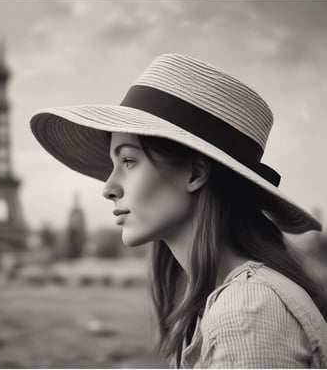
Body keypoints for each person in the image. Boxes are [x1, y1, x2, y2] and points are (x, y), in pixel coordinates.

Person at [30, 53, 327, 368]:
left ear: (194, 174)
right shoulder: (231, 299)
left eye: (128, 161)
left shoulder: (248, 312)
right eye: (114, 164)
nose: (108, 187)